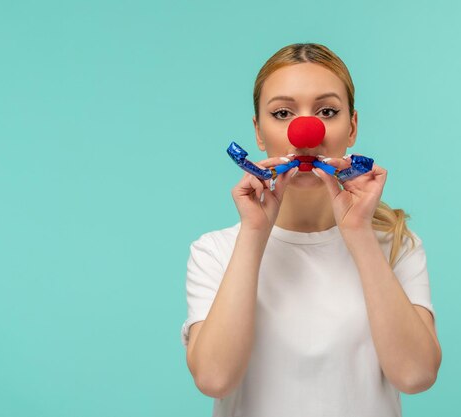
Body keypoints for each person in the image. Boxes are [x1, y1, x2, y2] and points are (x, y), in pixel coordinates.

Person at [181, 43, 442, 417]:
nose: (306, 131)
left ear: (351, 127)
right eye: (283, 112)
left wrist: (359, 235)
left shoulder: (397, 245)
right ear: (258, 131)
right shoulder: (215, 252)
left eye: (327, 111)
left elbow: (416, 375)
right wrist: (254, 234)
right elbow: (214, 379)